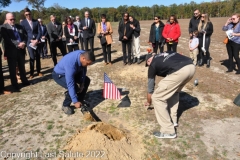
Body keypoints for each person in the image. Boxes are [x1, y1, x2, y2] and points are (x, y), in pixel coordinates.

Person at [145, 51, 195, 139]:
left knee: (157, 97)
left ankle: (168, 131)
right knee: (174, 92)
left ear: (148, 60)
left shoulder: (152, 64)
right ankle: (173, 120)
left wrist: (149, 102)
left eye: (147, 64)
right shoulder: (165, 53)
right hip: (191, 67)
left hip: (180, 71)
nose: (148, 66)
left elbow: (150, 89)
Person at [52, 50, 95, 115]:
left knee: (86, 80)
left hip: (74, 72)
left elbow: (84, 70)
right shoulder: (70, 63)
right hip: (60, 75)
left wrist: (82, 83)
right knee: (74, 87)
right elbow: (70, 83)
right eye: (88, 63)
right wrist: (75, 101)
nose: (88, 65)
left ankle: (80, 100)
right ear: (83, 58)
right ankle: (65, 105)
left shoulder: (83, 54)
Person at [1, 13, 30, 91]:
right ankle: (15, 84)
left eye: (14, 19)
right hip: (11, 51)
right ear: (7, 19)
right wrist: (18, 44)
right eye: (11, 19)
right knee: (12, 68)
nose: (13, 21)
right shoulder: (3, 28)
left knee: (22, 66)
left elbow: (25, 36)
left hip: (21, 50)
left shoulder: (19, 27)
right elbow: (8, 39)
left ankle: (24, 81)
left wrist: (23, 42)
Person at [20, 7, 43, 80]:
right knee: (32, 57)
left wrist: (37, 40)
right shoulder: (23, 23)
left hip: (37, 42)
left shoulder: (36, 21)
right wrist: (30, 40)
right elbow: (23, 34)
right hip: (29, 43)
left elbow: (39, 31)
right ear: (24, 15)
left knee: (38, 57)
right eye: (26, 15)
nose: (28, 16)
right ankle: (32, 73)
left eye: (29, 14)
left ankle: (39, 71)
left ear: (31, 14)